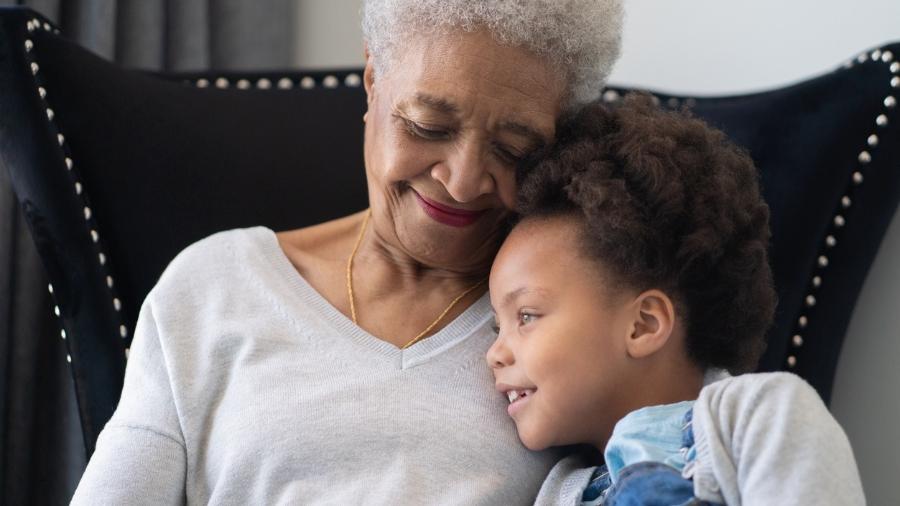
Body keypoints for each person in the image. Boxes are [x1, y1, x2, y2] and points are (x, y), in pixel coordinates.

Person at [70, 1, 624, 504]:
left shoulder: (589, 319)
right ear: (373, 82)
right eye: (429, 125)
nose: (461, 181)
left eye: (513, 148)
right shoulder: (213, 287)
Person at [487, 96, 866, 505]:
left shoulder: (762, 417)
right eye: (497, 325)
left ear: (644, 325)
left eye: (526, 315)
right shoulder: (559, 490)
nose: (494, 353)